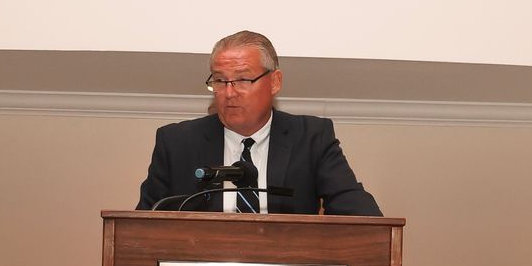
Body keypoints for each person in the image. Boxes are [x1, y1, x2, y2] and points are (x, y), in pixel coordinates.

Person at [136, 30, 382, 215]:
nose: (229, 93)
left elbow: (361, 215)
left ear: (275, 82)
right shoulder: (177, 143)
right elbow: (142, 226)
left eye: (243, 79)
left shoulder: (311, 138)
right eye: (220, 81)